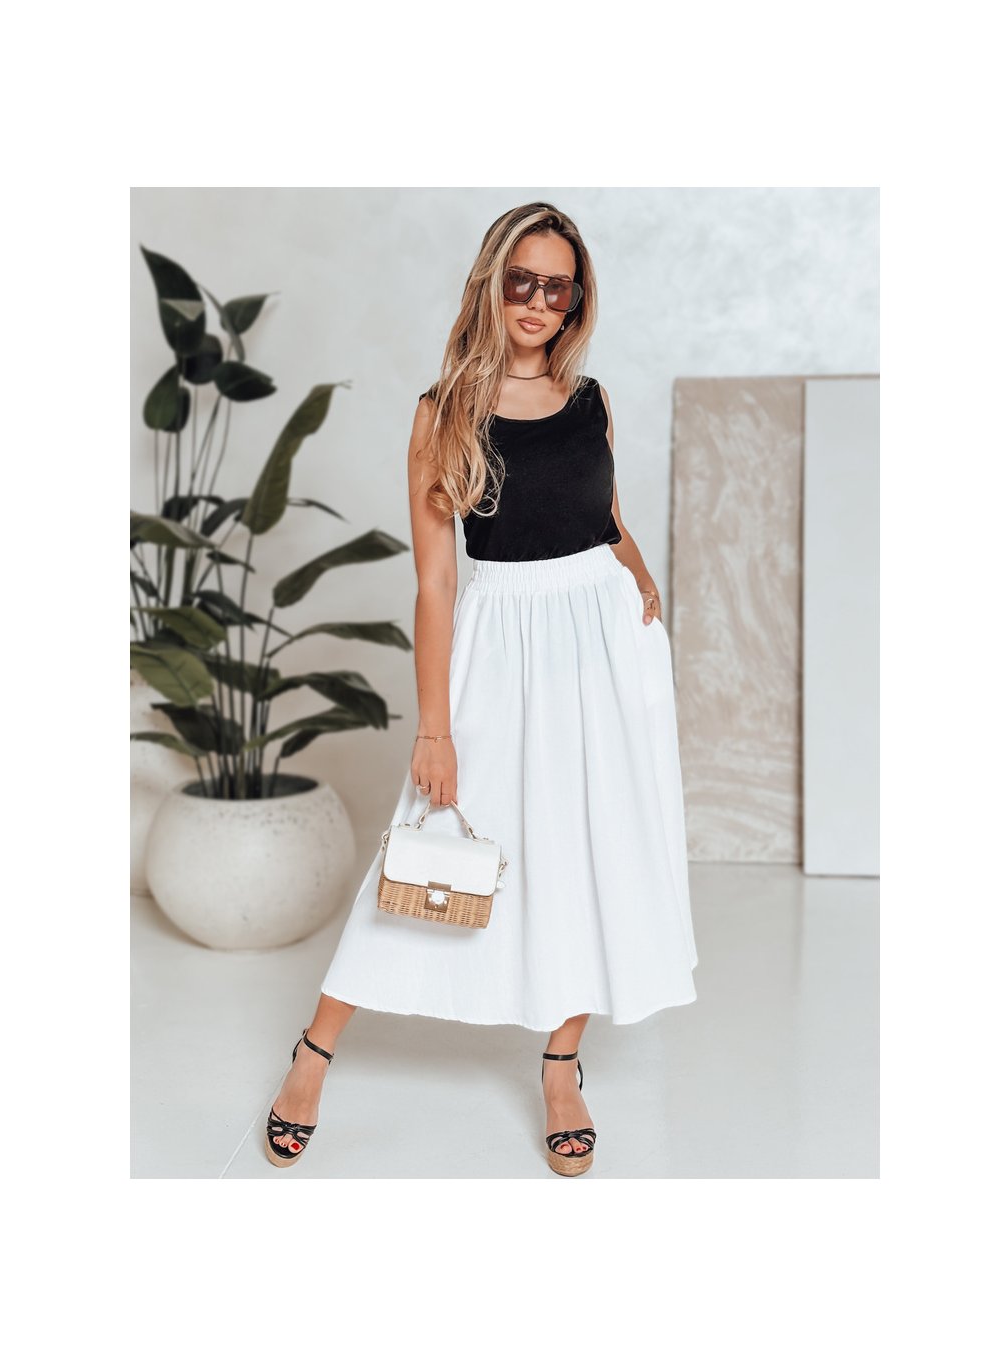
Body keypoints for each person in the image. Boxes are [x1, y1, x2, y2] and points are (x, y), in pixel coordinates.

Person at [264, 202, 698, 1176]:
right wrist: (436, 729)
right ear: (491, 284)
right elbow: (435, 583)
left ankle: (561, 1066)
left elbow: (605, 514)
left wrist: (639, 578)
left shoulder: (591, 398)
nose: (538, 302)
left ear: (576, 298)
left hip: (607, 648)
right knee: (431, 846)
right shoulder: (442, 413)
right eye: (521, 281)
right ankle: (315, 1050)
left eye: (558, 287)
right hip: (502, 640)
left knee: (589, 850)